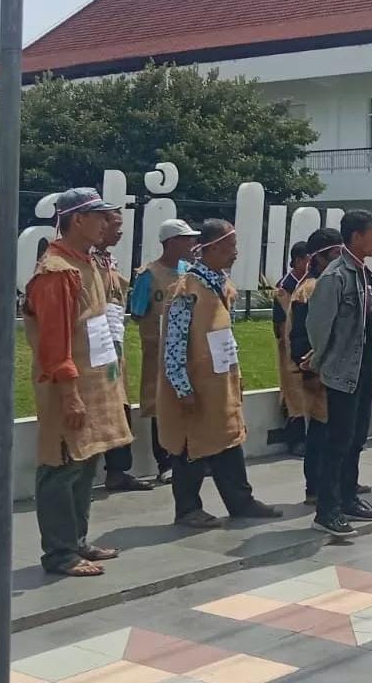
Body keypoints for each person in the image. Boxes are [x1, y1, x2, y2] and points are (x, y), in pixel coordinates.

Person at [23, 187, 133, 577]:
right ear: (78, 220)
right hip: (69, 388)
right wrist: (69, 394)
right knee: (61, 464)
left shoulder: (87, 263)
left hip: (94, 383)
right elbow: (54, 343)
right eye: (100, 216)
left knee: (86, 463)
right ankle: (59, 553)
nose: (107, 223)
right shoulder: (57, 272)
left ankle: (77, 539)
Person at [157, 219, 282, 527]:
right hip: (196, 385)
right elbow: (173, 343)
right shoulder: (187, 289)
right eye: (230, 246)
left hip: (220, 381)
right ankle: (187, 508)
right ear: (211, 248)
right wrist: (182, 387)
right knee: (192, 445)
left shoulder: (221, 284)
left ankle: (241, 501)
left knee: (228, 438)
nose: (235, 253)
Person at [306, 210, 372, 537]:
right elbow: (319, 326)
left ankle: (349, 496)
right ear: (355, 237)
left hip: (364, 368)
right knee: (337, 441)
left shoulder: (363, 273)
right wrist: (323, 361)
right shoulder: (335, 276)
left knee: (356, 438)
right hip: (343, 370)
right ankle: (327, 509)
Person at [127, 218, 198, 484]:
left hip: (187, 348)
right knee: (159, 402)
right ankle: (164, 462)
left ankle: (190, 454)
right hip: (157, 349)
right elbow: (137, 311)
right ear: (172, 243)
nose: (192, 244)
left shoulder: (188, 272)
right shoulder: (149, 274)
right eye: (187, 239)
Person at [96, 209, 152, 493]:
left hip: (114, 341)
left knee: (120, 407)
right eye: (115, 225)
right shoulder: (84, 263)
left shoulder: (109, 261)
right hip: (93, 346)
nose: (120, 232)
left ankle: (118, 470)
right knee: (98, 408)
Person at [289, 228, 343, 504]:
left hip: (337, 370)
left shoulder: (333, 282)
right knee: (320, 432)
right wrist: (310, 364)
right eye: (335, 253)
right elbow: (299, 337)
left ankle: (337, 483)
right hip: (317, 373)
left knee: (336, 432)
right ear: (320, 258)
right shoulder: (308, 290)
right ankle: (315, 487)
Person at [273, 241, 312, 456]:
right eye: (308, 259)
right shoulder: (284, 288)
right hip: (289, 348)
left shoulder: (311, 283)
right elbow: (280, 325)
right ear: (298, 261)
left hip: (309, 345)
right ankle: (295, 440)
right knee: (293, 393)